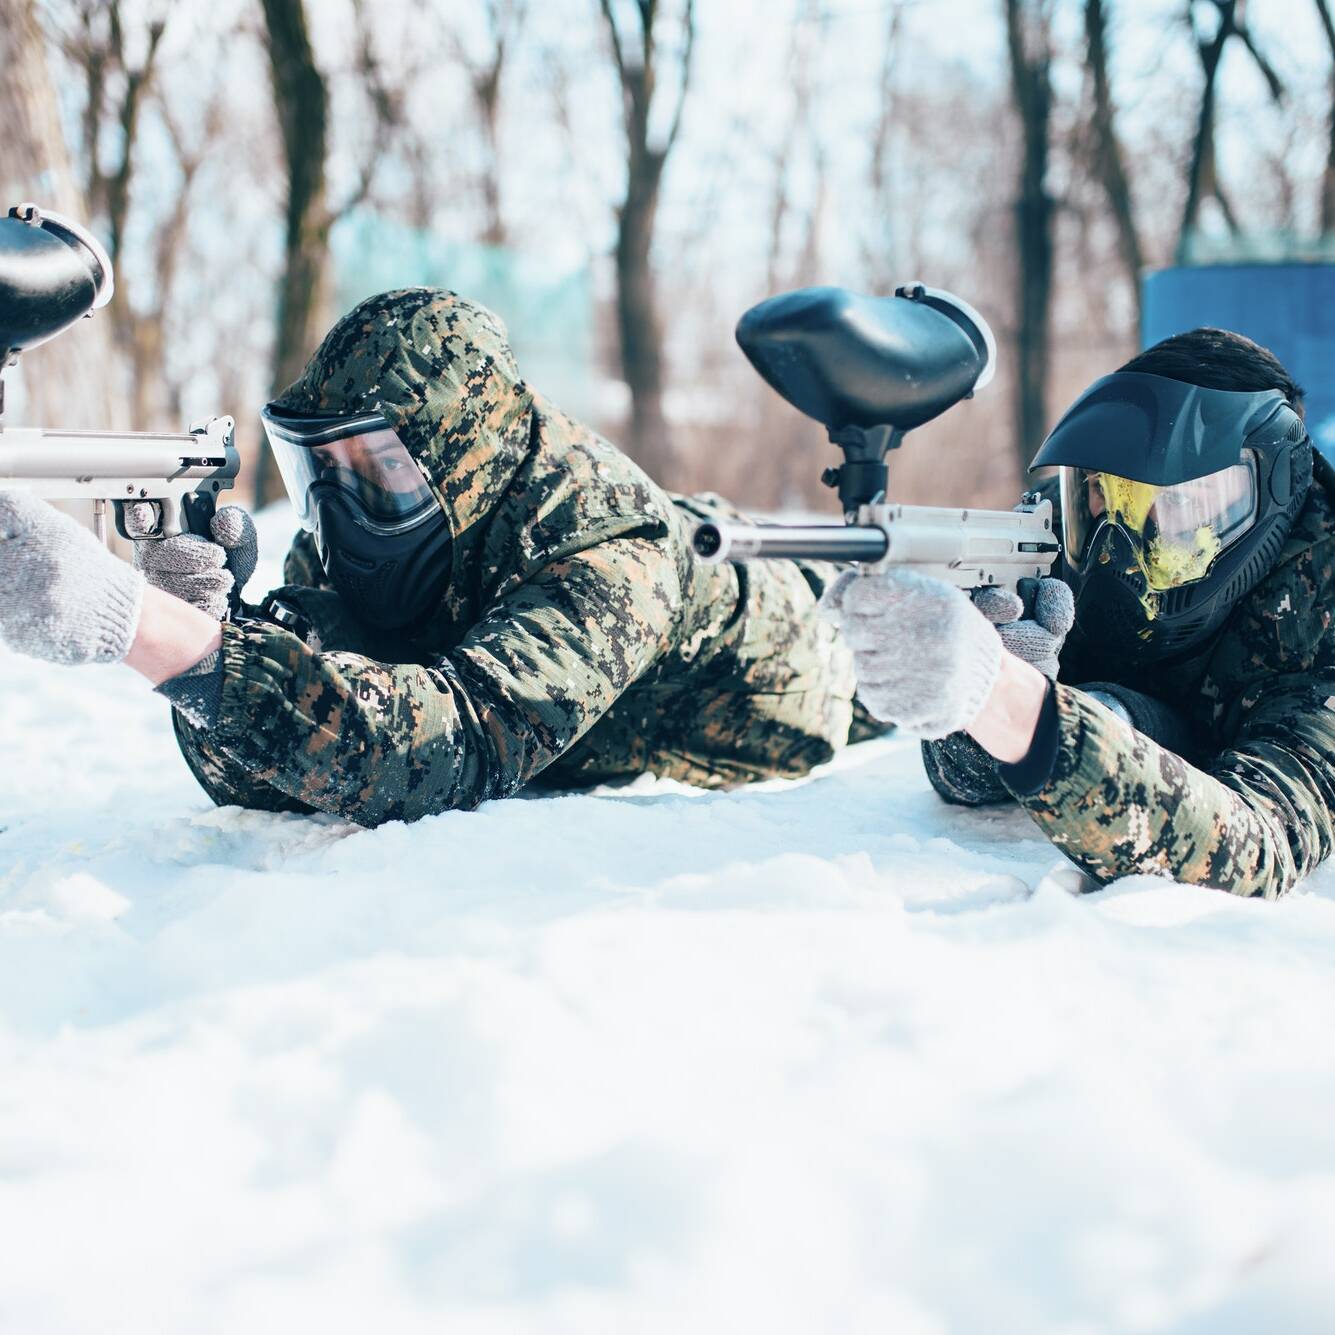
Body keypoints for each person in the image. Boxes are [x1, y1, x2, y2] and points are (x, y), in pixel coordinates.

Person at [0, 288, 872, 825]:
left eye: (373, 465)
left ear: (460, 454)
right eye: (321, 464)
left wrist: (144, 627)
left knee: (896, 640)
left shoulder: (612, 558)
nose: (336, 498)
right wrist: (211, 636)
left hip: (806, 655)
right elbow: (287, 769)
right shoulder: (378, 520)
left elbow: (437, 749)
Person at [823, 326, 1335, 898]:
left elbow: (1253, 851)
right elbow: (962, 785)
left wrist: (1016, 705)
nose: (1121, 544)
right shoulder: (1068, 532)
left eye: (1179, 504)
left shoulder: (1323, 621)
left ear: (1268, 490)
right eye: (1102, 492)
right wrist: (980, 701)